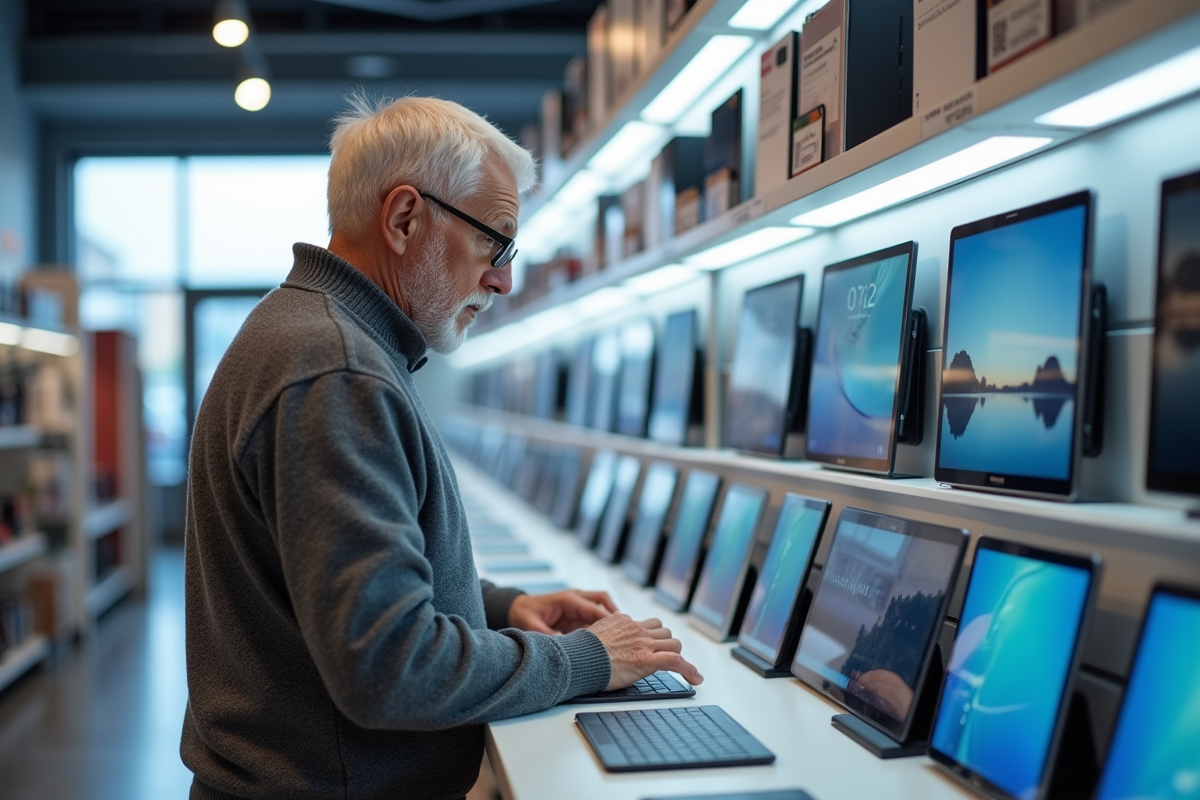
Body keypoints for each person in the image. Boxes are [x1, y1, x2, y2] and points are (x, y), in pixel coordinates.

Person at [180, 94, 703, 800]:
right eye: (496, 241)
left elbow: (347, 583)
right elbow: (389, 668)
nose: (503, 278)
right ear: (403, 219)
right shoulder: (334, 368)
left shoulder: (321, 339)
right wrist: (584, 659)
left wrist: (500, 608)